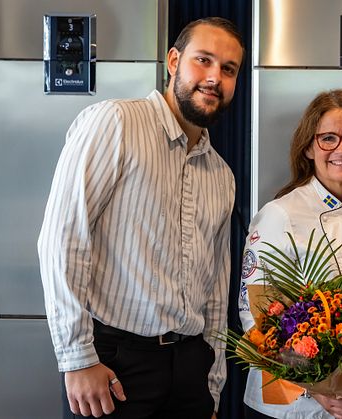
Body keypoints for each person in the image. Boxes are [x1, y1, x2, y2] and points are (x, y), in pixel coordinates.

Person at [37, 17, 244, 418]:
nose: (214, 77)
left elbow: (216, 291)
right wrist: (77, 358)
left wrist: (212, 384)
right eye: (203, 60)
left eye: (228, 69)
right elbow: (63, 240)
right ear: (173, 60)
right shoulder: (115, 123)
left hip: (189, 370)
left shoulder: (222, 174)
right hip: (114, 366)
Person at [238, 89, 342, 419]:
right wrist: (317, 387)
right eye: (328, 138)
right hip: (290, 404)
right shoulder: (279, 214)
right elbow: (254, 317)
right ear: (309, 147)